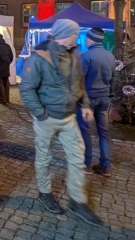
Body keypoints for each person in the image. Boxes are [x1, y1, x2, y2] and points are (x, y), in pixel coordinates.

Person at [19, 19, 103, 226]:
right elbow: (26, 89)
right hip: (47, 118)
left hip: (69, 118)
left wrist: (85, 105)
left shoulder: (74, 53)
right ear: (66, 33)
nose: (77, 37)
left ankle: (77, 200)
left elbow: (78, 83)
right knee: (44, 157)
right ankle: (44, 192)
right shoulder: (39, 58)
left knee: (77, 158)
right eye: (75, 33)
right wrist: (41, 114)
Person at [77, 27, 115, 177]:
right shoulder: (110, 56)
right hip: (105, 98)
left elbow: (80, 80)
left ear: (91, 39)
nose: (85, 40)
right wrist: (111, 95)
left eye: (86, 38)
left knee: (85, 132)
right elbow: (114, 79)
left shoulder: (86, 57)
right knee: (104, 133)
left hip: (89, 99)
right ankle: (105, 166)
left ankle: (86, 165)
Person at [0, 33, 14, 104]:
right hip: (6, 67)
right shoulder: (7, 46)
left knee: (0, 84)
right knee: (6, 84)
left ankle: (3, 99)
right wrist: (8, 63)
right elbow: (11, 56)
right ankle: (7, 99)